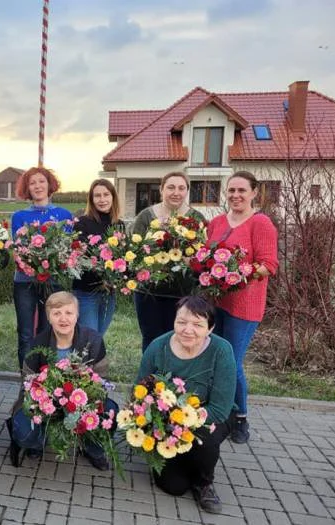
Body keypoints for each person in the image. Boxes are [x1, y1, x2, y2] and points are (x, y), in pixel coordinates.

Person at [137, 296, 236, 514]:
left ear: (210, 328)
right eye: (181, 322)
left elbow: (220, 409)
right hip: (167, 420)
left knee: (205, 437)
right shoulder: (158, 347)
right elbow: (140, 390)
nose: (187, 330)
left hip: (209, 416)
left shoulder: (221, 351)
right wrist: (157, 420)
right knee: (173, 486)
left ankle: (205, 481)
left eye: (198, 324)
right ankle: (186, 461)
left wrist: (182, 420)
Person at [5, 291, 118, 470]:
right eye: (56, 313)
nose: (63, 319)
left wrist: (87, 395)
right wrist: (44, 400)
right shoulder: (38, 344)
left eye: (68, 313)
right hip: (45, 402)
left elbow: (102, 378)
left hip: (83, 400)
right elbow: (28, 382)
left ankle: (92, 448)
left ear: (77, 315)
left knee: (110, 412)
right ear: (48, 317)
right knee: (24, 432)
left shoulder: (93, 340)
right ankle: (34, 443)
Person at [207, 171, 278, 444]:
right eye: (231, 190)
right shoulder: (216, 222)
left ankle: (240, 419)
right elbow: (206, 257)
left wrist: (238, 275)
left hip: (244, 306)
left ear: (254, 193)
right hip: (217, 303)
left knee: (231, 362)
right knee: (215, 358)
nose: (236, 195)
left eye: (241, 190)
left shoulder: (260, 223)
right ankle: (219, 411)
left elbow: (268, 264)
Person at [130, 172, 205, 351]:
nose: (176, 192)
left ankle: (175, 378)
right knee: (151, 340)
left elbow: (203, 257)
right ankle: (151, 378)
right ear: (162, 189)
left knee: (180, 341)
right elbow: (133, 252)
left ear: (187, 191)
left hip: (183, 294)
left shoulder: (196, 219)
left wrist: (192, 262)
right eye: (170, 187)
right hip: (149, 293)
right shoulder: (146, 217)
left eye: (181, 188)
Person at [11, 167, 73, 368]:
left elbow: (68, 249)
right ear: (27, 188)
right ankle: (26, 381)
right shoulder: (19, 217)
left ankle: (47, 379)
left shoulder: (64, 215)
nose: (37, 186)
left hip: (53, 282)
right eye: (32, 183)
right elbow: (17, 251)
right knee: (26, 333)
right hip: (25, 282)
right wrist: (31, 263)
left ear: (49, 184)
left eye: (41, 181)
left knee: (50, 331)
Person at [73, 179, 125, 339]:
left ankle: (93, 364)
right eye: (97, 196)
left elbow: (123, 256)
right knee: (88, 337)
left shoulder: (119, 225)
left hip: (109, 292)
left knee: (98, 336)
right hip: (86, 291)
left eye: (106, 195)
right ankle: (82, 364)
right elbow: (80, 257)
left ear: (113, 197)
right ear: (92, 199)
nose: (102, 200)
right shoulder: (82, 223)